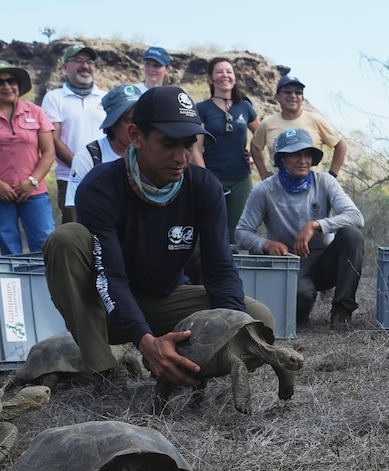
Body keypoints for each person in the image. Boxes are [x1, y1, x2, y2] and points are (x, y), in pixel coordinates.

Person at [44, 86, 274, 387]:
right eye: (168, 144)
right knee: (66, 238)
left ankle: (182, 368)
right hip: (105, 306)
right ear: (136, 136)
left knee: (258, 320)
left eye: (188, 145)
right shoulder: (101, 187)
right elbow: (110, 278)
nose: (181, 158)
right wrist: (144, 340)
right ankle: (103, 369)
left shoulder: (205, 187)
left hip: (165, 300)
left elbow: (220, 269)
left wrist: (234, 327)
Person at [236, 127, 366, 329]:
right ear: (281, 160)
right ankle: (301, 304)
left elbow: (356, 217)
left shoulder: (325, 181)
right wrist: (266, 244)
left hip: (325, 259)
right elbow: (242, 232)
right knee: (300, 303)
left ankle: (342, 312)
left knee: (352, 234)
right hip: (290, 263)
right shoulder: (264, 190)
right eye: (295, 154)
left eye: (307, 154)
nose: (303, 160)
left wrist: (316, 225)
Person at [0, 62, 54, 255]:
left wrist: (32, 181)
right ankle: (16, 286)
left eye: (11, 81)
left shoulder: (36, 112)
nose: (6, 86)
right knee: (8, 246)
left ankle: (46, 285)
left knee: (45, 242)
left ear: (18, 84)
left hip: (34, 192)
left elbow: (48, 152)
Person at [41, 44, 106, 224]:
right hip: (71, 178)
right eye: (78, 61)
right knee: (75, 233)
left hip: (107, 177)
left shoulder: (105, 97)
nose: (85, 66)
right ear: (64, 67)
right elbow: (53, 139)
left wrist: (100, 170)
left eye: (89, 61)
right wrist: (82, 166)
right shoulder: (54, 98)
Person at [196, 57, 260, 230]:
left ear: (234, 77)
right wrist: (205, 177)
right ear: (210, 78)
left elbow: (261, 135)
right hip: (213, 177)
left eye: (229, 71)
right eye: (219, 71)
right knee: (212, 228)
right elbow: (196, 148)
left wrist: (253, 155)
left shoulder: (245, 107)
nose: (225, 75)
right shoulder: (202, 108)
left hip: (241, 179)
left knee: (238, 231)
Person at [249, 75, 347, 180]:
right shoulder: (267, 123)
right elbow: (255, 146)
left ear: (302, 98)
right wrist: (263, 173)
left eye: (298, 92)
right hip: (279, 189)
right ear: (277, 97)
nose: (293, 95)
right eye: (287, 92)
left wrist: (332, 175)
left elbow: (340, 144)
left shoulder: (316, 120)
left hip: (312, 189)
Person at [65, 84, 142, 211]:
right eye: (129, 120)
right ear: (112, 124)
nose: (136, 127)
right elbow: (73, 209)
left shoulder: (152, 153)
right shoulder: (89, 157)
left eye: (140, 119)